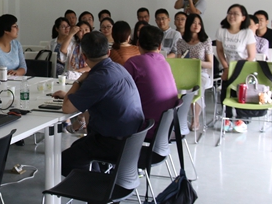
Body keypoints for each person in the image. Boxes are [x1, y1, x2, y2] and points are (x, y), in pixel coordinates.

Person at [51, 31, 144, 176]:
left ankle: (98, 181)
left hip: (113, 142)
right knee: (79, 146)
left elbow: (67, 108)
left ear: (84, 56)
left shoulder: (98, 77)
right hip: (132, 139)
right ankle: (99, 174)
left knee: (61, 162)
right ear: (108, 52)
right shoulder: (118, 68)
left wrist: (78, 81)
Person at [123, 26, 178, 140]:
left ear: (137, 43)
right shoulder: (164, 62)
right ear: (160, 46)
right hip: (167, 127)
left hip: (146, 129)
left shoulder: (133, 63)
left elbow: (120, 93)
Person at [216, 4, 257, 133]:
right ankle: (227, 118)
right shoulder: (222, 30)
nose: (232, 16)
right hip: (228, 67)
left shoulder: (247, 33)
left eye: (236, 14)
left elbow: (251, 56)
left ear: (243, 18)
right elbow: (219, 51)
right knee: (225, 90)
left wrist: (238, 71)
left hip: (244, 68)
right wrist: (226, 67)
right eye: (230, 13)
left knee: (240, 93)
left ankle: (241, 119)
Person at [168, 14, 213, 130]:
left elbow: (210, 64)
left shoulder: (205, 41)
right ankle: (177, 118)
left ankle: (195, 119)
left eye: (199, 23)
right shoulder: (181, 42)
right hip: (185, 73)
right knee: (175, 86)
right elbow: (179, 61)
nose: (197, 25)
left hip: (201, 73)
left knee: (196, 86)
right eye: (194, 23)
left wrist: (197, 62)